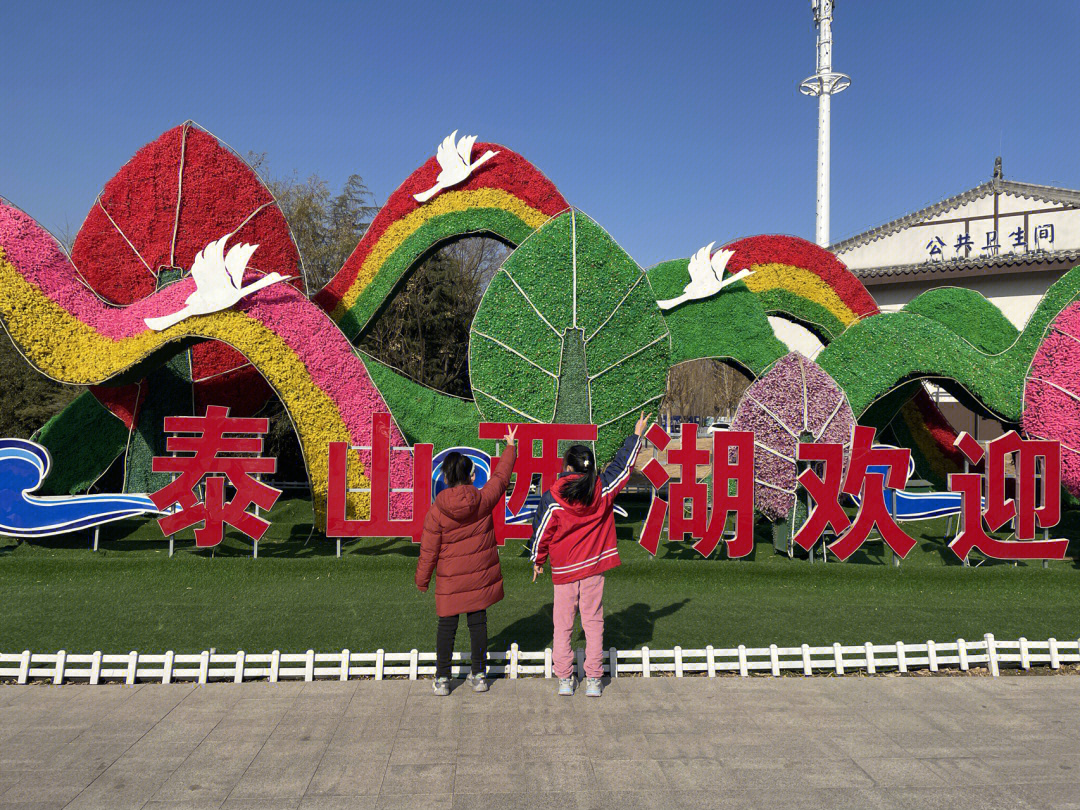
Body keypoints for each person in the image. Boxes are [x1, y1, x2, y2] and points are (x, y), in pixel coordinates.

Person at [529, 412, 651, 697]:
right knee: (593, 622)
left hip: (564, 572)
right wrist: (637, 434)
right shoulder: (603, 489)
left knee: (563, 626)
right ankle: (595, 680)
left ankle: (565, 679)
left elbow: (541, 531)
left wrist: (538, 560)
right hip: (594, 567)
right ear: (591, 467)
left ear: (567, 467)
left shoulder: (553, 498)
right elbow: (623, 467)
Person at [416, 426, 517, 696]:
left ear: (447, 478)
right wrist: (510, 447)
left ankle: (442, 679)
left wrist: (422, 581)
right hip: (479, 577)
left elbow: (429, 550)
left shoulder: (437, 511)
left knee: (446, 628)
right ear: (471, 476)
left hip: (450, 581)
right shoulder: (483, 500)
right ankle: (479, 675)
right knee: (478, 624)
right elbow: (501, 477)